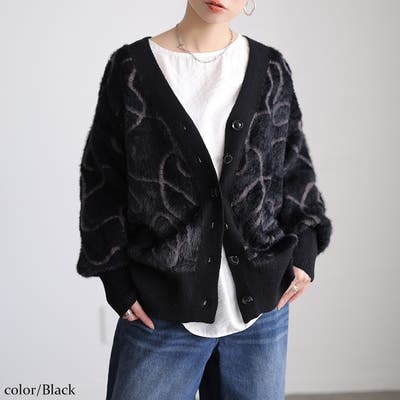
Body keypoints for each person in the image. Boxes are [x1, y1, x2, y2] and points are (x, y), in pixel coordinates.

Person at [76, 1, 333, 399]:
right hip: (161, 309)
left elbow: (293, 164)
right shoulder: (130, 70)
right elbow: (101, 179)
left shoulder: (270, 68)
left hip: (261, 313)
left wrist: (306, 249)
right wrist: (116, 281)